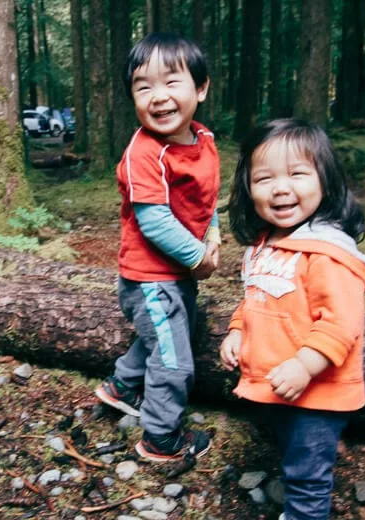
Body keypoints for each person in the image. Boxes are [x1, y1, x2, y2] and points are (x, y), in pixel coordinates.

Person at [220, 119, 365, 520]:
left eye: (297, 174)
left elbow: (341, 323)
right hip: (284, 384)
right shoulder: (266, 243)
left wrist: (305, 365)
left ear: (325, 179)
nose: (280, 188)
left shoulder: (326, 254)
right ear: (247, 188)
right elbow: (256, 296)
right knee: (293, 460)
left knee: (308, 477)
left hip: (317, 392)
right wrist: (238, 330)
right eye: (264, 178)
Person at [93, 32, 221, 462]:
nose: (158, 96)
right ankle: (161, 437)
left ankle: (122, 386)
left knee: (168, 337)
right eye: (143, 86)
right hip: (151, 280)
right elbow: (154, 221)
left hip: (174, 276)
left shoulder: (203, 140)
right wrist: (199, 258)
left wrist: (214, 234)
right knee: (174, 362)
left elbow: (206, 198)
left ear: (200, 89)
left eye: (172, 82)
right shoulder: (144, 154)